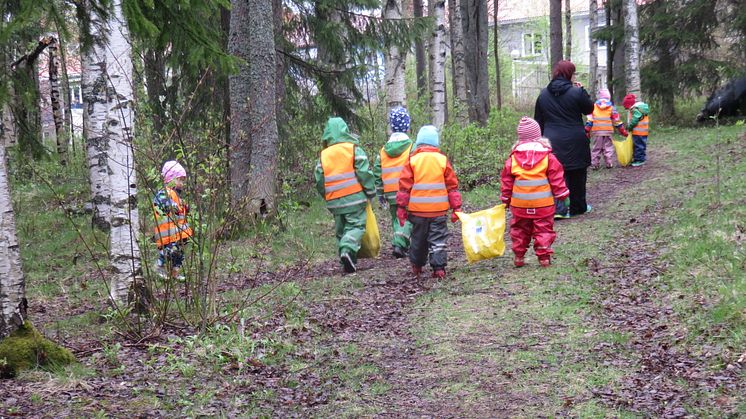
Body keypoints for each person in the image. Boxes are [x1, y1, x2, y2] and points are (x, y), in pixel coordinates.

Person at [501, 117, 569, 268]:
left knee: (519, 229)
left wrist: (505, 199)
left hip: (519, 204)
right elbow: (557, 177)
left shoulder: (513, 159)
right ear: (539, 136)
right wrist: (563, 195)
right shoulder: (548, 156)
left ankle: (519, 256)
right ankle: (544, 258)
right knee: (543, 228)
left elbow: (507, 181)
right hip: (543, 204)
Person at [396, 125, 462, 279]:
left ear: (418, 143)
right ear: (436, 143)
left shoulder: (412, 161)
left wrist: (401, 207)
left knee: (418, 240)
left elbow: (404, 187)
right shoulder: (442, 160)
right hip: (438, 211)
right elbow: (452, 187)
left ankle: (417, 265)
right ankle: (438, 268)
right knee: (438, 239)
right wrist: (456, 208)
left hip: (417, 212)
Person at [314, 117, 376, 274]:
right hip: (355, 199)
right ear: (345, 130)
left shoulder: (324, 156)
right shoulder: (353, 149)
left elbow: (320, 180)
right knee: (355, 226)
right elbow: (364, 173)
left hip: (335, 202)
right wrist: (370, 191)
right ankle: (347, 250)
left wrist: (327, 196)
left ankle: (348, 261)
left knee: (341, 231)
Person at [534, 60, 595, 219]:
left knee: (555, 174)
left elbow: (538, 121)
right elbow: (589, 108)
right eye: (573, 73)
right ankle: (578, 207)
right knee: (578, 173)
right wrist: (582, 90)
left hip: (551, 139)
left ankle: (559, 208)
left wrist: (539, 142)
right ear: (569, 75)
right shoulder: (577, 92)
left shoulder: (543, 94)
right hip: (575, 138)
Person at [373, 106, 414, 259]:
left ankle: (400, 242)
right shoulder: (411, 147)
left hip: (390, 191)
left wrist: (380, 193)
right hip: (407, 190)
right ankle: (400, 244)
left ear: (391, 126)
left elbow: (377, 172)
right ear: (407, 125)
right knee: (409, 216)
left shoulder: (383, 150)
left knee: (396, 217)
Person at [153, 160, 193, 280]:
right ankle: (159, 266)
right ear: (170, 180)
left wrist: (185, 207)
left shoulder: (177, 196)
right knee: (169, 251)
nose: (182, 183)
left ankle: (175, 272)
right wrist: (171, 205)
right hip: (168, 233)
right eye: (179, 180)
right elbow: (160, 202)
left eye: (182, 180)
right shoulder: (164, 193)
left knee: (179, 254)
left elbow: (181, 212)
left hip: (179, 233)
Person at [586, 88, 628, 169]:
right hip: (608, 131)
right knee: (608, 147)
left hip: (597, 131)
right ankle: (609, 162)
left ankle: (595, 164)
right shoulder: (611, 108)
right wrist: (623, 131)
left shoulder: (593, 107)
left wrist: (587, 129)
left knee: (596, 148)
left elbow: (590, 119)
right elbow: (617, 121)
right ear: (608, 97)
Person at [623, 93, 651, 167]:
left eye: (627, 108)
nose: (628, 110)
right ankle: (640, 158)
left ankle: (639, 160)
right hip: (643, 131)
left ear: (629, 105)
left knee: (638, 146)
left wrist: (629, 127)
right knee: (641, 145)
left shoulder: (635, 110)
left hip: (638, 132)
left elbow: (635, 120)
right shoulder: (641, 108)